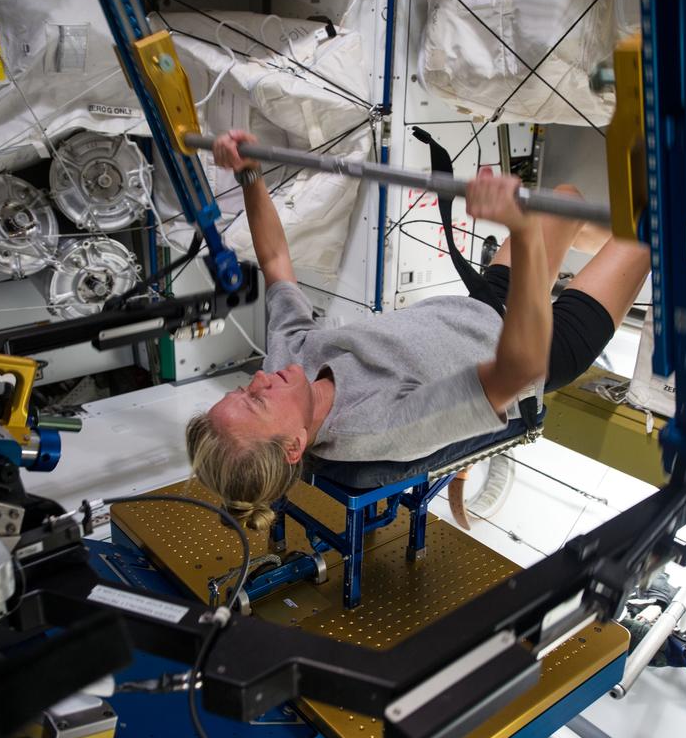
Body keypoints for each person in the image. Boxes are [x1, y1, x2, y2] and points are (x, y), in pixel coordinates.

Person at [187, 130, 650, 530]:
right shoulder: (378, 427)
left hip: (483, 307)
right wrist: (521, 233)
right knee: (647, 230)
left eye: (246, 387)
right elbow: (519, 367)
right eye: (258, 399)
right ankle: (622, 250)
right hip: (542, 349)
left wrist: (249, 173)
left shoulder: (288, 365)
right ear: (294, 445)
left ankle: (599, 249)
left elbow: (275, 265)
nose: (262, 378)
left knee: (563, 200)